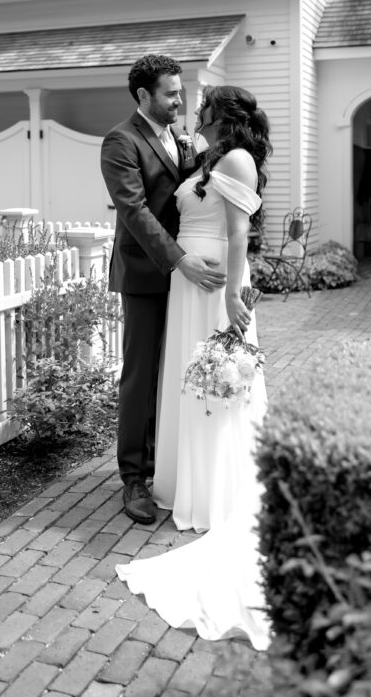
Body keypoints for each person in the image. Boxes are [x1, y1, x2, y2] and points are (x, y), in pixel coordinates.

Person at [116, 85, 273, 650]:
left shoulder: (235, 159)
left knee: (218, 385)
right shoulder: (204, 157)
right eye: (180, 97)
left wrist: (234, 293)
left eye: (198, 103)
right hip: (187, 283)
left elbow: (238, 231)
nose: (191, 108)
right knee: (186, 385)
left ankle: (216, 492)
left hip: (214, 287)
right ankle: (183, 482)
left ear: (219, 116)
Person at [101, 55, 226, 526]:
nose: (180, 100)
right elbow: (134, 211)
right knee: (141, 375)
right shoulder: (120, 141)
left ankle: (167, 464)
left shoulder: (180, 138)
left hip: (187, 272)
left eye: (181, 92)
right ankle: (134, 476)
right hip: (148, 273)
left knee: (176, 370)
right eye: (171, 93)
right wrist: (179, 259)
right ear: (143, 96)